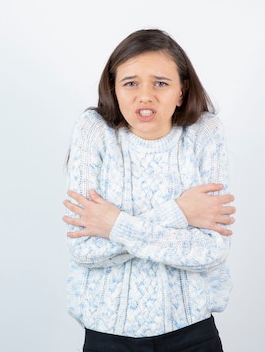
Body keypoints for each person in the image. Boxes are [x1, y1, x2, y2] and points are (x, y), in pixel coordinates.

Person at [62, 28, 236, 352]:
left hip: (192, 334)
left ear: (181, 91)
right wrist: (181, 212)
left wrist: (113, 224)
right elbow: (84, 247)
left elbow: (211, 250)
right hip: (107, 337)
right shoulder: (93, 132)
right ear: (114, 89)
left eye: (160, 83)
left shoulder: (205, 133)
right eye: (130, 83)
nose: (145, 96)